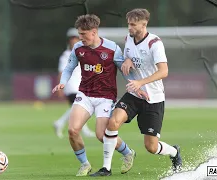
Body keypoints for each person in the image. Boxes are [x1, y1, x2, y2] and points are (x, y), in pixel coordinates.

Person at [52, 14, 147, 176]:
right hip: (85, 94)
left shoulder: (112, 48)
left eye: (83, 34)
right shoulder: (78, 48)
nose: (80, 38)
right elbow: (69, 68)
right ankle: (85, 164)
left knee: (101, 135)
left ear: (94, 32)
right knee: (73, 130)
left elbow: (124, 69)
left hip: (105, 97)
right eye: (79, 34)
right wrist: (63, 82)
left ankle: (128, 153)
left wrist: (135, 85)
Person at [91, 8, 182, 176]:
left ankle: (175, 152)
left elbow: (164, 71)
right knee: (113, 123)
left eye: (133, 24)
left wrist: (140, 82)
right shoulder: (129, 39)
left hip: (153, 99)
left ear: (144, 24)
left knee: (151, 147)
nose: (129, 27)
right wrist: (127, 60)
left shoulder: (154, 44)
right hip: (134, 94)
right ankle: (106, 168)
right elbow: (129, 56)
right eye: (128, 24)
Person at [53, 36, 96, 139]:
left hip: (80, 86)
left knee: (78, 108)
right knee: (80, 107)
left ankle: (60, 123)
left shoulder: (82, 54)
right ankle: (62, 123)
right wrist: (60, 87)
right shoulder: (66, 56)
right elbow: (61, 71)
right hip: (70, 86)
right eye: (73, 43)